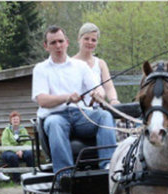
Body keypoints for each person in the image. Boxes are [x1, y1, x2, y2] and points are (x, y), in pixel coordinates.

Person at [32, 25, 116, 177]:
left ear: (67, 42)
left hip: (81, 115)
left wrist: (98, 93)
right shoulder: (40, 69)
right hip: (56, 116)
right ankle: (65, 175)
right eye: (53, 43)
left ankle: (108, 167)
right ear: (46, 46)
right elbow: (42, 100)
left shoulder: (81, 66)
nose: (58, 46)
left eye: (60, 41)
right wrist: (67, 97)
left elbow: (98, 89)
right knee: (54, 124)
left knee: (105, 116)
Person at [0, 111, 34, 182]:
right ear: (11, 121)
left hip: (22, 151)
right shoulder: (6, 131)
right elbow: (5, 144)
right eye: (13, 119)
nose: (15, 121)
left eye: (17, 119)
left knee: (29, 154)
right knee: (13, 157)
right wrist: (16, 151)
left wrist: (21, 150)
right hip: (9, 151)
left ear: (19, 120)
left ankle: (31, 177)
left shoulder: (23, 130)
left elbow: (28, 142)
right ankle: (17, 179)